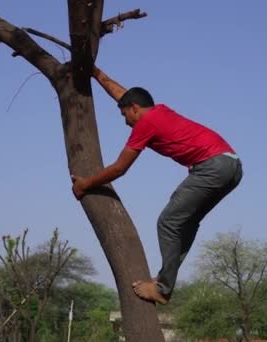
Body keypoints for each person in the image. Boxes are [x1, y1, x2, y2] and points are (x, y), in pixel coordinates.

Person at [71, 66, 243, 304]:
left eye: (125, 116)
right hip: (232, 166)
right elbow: (122, 93)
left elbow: (120, 168)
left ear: (135, 109)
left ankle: (162, 288)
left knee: (168, 221)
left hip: (212, 167)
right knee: (186, 222)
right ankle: (165, 279)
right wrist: (95, 72)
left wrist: (85, 184)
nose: (125, 122)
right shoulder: (159, 110)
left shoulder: (145, 124)